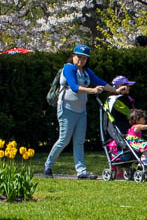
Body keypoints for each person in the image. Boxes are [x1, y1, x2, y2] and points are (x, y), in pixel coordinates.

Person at [44, 45, 111, 180]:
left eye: (85, 58)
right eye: (79, 57)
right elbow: (74, 87)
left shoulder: (86, 71)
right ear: (73, 56)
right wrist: (92, 91)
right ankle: (48, 165)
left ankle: (81, 171)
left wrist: (115, 90)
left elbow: (99, 81)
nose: (81, 60)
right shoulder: (69, 68)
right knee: (64, 140)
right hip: (66, 108)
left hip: (81, 110)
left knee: (79, 141)